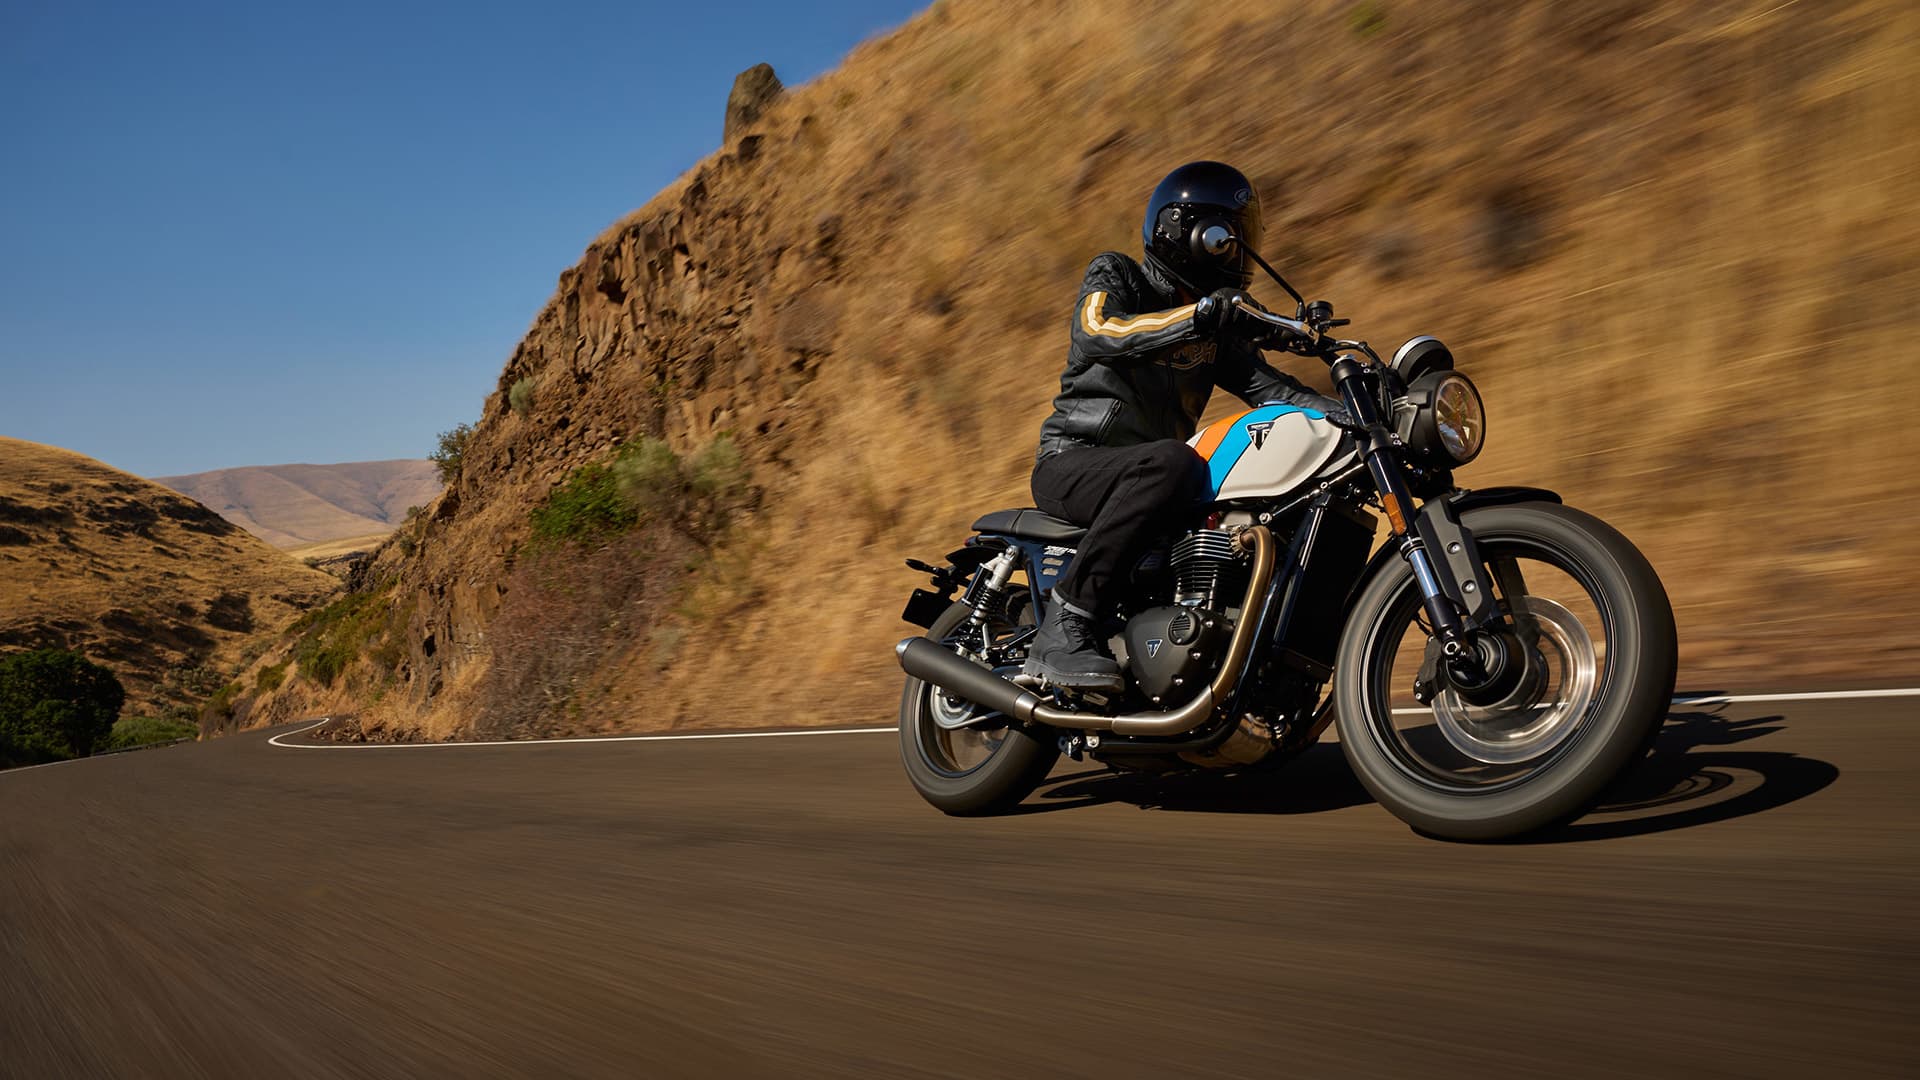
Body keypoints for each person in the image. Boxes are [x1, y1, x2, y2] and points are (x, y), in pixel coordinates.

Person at [1023, 160, 1347, 693]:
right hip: (1073, 460)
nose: (1240, 253)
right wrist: (1199, 316)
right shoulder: (1118, 274)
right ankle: (1064, 624)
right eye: (1229, 239)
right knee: (1176, 462)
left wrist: (1355, 415)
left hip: (1148, 478)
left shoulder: (1215, 330)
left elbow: (1276, 393)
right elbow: (1097, 331)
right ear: (1190, 235)